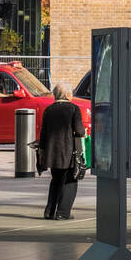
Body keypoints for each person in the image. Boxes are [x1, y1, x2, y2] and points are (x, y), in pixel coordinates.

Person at [38, 82, 86, 220]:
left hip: (52, 152)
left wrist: (42, 150)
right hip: (68, 151)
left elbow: (44, 132)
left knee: (56, 180)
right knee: (70, 181)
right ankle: (63, 212)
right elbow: (80, 131)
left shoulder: (49, 109)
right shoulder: (73, 109)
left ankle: (49, 211)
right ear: (67, 94)